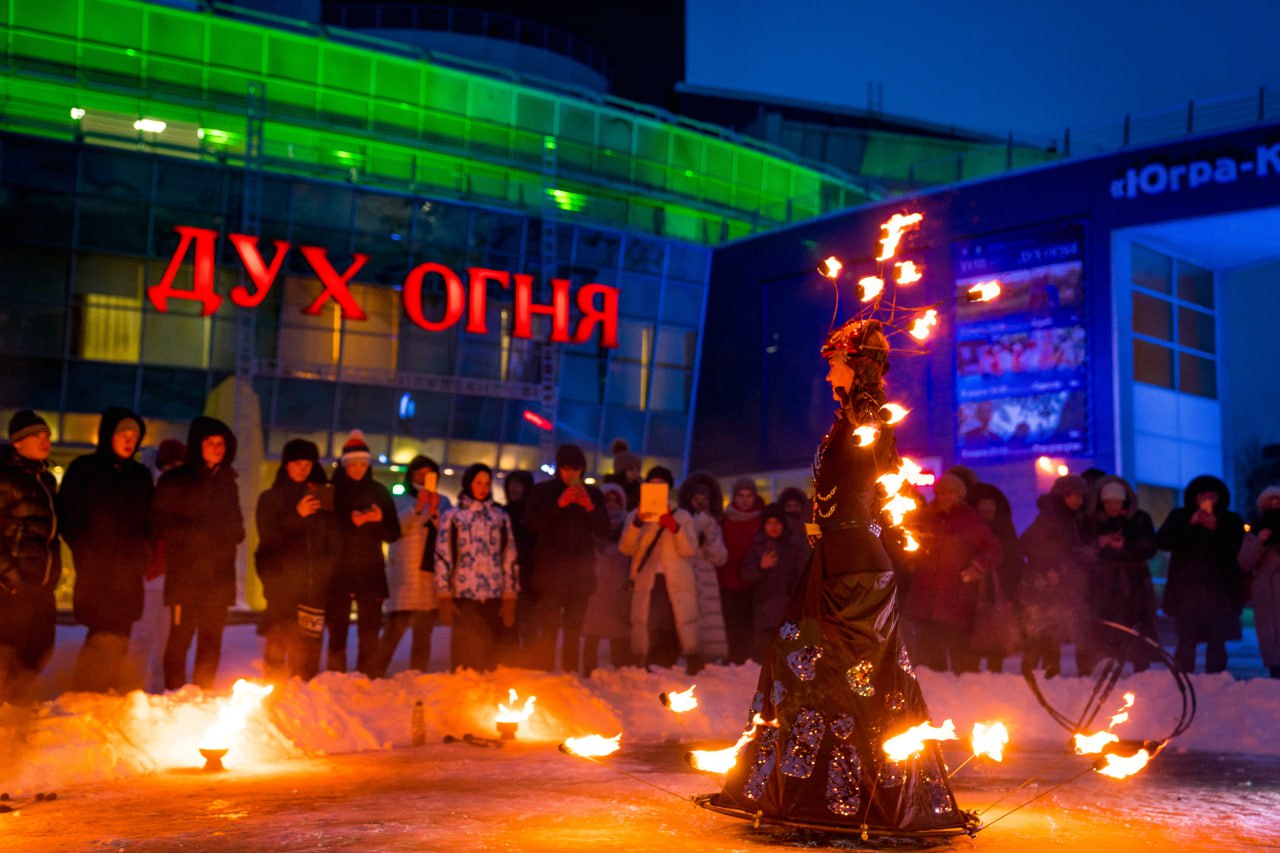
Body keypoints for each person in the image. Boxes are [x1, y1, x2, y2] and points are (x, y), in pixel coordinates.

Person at [710, 318, 972, 837]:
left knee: (827, 671)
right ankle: (819, 796)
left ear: (853, 365)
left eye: (834, 358)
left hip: (853, 566)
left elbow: (876, 481)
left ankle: (842, 801)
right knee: (811, 666)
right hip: (840, 558)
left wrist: (846, 522)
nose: (826, 366)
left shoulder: (864, 418)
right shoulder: (847, 421)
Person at [58, 407, 153, 693]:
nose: (129, 440)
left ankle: (109, 692)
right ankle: (84, 693)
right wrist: (87, 555)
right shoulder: (85, 470)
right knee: (99, 634)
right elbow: (69, 517)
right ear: (108, 434)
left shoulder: (140, 476)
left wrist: (142, 556)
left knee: (121, 635)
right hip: (97, 572)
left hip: (129, 574)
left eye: (134, 435)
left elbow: (151, 522)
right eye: (122, 433)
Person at [153, 417, 244, 691]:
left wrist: (223, 534)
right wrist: (197, 533)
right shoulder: (175, 481)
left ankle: (204, 694)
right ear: (197, 445)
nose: (218, 448)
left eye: (221, 443)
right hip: (186, 577)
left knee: (211, 640)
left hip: (219, 577)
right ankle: (175, 694)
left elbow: (238, 530)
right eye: (210, 442)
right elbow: (159, 525)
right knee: (180, 639)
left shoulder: (228, 482)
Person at [253, 439, 340, 682]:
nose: (303, 469)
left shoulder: (322, 497)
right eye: (297, 463)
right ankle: (274, 699)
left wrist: (326, 575)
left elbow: (331, 540)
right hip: (282, 588)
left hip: (313, 588)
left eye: (308, 464)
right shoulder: (271, 498)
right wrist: (296, 515)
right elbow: (268, 537)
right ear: (287, 465)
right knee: (278, 648)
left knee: (308, 655)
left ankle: (304, 703)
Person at [902, 473, 1002, 674]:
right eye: (942, 493)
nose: (946, 497)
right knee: (929, 660)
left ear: (960, 495)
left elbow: (994, 550)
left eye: (951, 493)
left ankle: (964, 697)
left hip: (956, 599)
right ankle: (935, 698)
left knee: (961, 657)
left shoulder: (969, 520)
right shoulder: (924, 517)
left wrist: (977, 567)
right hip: (925, 599)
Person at [524, 444, 609, 672]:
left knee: (573, 631)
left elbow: (604, 531)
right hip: (550, 576)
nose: (571, 474)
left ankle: (571, 676)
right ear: (559, 469)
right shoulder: (543, 492)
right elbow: (531, 523)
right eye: (566, 468)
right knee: (548, 629)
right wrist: (558, 504)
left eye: (576, 469)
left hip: (580, 578)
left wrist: (590, 507)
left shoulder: (593, 494)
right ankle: (546, 672)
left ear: (583, 470)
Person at [326, 430, 400, 675]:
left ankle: (368, 675)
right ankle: (336, 676)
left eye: (362, 464)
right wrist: (351, 522)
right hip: (338, 570)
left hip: (370, 571)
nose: (357, 469)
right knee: (338, 626)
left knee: (369, 628)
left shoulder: (379, 491)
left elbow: (393, 533)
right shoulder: (332, 490)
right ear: (344, 465)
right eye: (353, 464)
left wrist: (376, 520)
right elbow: (323, 529)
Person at [0, 411, 61, 704]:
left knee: (41, 648)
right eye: (37, 435)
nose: (45, 440)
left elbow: (48, 536)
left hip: (41, 585)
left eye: (47, 435)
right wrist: (12, 580)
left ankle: (20, 708)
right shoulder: (5, 480)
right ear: (17, 443)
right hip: (14, 588)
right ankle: (7, 718)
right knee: (10, 654)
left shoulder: (45, 480)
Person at [1157, 475, 1246, 674]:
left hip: (1220, 593)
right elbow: (1163, 541)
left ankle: (1216, 680)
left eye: (1211, 495)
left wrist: (1217, 528)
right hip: (1186, 593)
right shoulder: (1179, 516)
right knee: (1186, 639)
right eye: (1202, 495)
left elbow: (1238, 548)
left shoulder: (1230, 519)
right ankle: (1183, 679)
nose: (1207, 500)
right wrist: (1190, 523)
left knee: (1217, 640)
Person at [619, 466, 703, 675]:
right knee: (650, 621)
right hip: (648, 579)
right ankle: (650, 659)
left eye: (661, 484)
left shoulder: (681, 515)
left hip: (675, 579)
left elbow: (690, 549)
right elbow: (626, 548)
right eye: (652, 484)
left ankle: (678, 658)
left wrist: (674, 527)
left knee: (676, 620)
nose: (656, 488)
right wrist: (637, 523)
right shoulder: (635, 515)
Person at [435, 463, 518, 672]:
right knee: (465, 652)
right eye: (478, 483)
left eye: (487, 483)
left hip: (494, 593)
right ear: (468, 484)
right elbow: (443, 554)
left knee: (492, 651)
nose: (482, 488)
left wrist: (510, 593)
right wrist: (443, 592)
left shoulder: (500, 517)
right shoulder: (453, 516)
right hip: (463, 593)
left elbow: (510, 555)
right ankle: (464, 692)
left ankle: (489, 696)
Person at [372, 456, 449, 677]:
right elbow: (393, 531)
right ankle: (374, 677)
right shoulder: (399, 500)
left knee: (423, 637)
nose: (423, 479)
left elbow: (447, 535)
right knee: (392, 634)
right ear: (410, 475)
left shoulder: (443, 502)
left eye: (429, 474)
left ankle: (417, 679)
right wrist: (417, 508)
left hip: (428, 580)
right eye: (419, 474)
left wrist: (434, 511)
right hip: (403, 579)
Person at [1086, 476, 1159, 671]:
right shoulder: (1093, 522)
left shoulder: (1140, 519)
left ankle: (1141, 671)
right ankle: (1109, 671)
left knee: (1136, 628)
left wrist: (1125, 545)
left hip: (1135, 585)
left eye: (1116, 502)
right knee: (1108, 630)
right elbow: (1084, 549)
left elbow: (1150, 547)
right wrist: (1100, 544)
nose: (1112, 507)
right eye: (1108, 503)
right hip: (1104, 586)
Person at [968, 482, 1024, 672]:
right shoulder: (970, 529)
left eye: (990, 504)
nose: (987, 507)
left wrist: (1007, 588)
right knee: (972, 635)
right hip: (972, 589)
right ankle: (970, 675)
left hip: (999, 588)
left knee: (997, 632)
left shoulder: (1005, 528)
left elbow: (1014, 559)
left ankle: (995, 672)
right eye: (983, 504)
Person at [739, 503, 806, 661]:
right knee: (766, 657)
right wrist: (761, 567)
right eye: (769, 523)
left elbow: (801, 576)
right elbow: (745, 576)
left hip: (788, 611)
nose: (773, 527)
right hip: (764, 613)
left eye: (777, 523)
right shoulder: (757, 547)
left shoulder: (793, 548)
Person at [581, 482, 633, 675]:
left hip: (619, 589)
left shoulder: (630, 526)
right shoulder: (591, 525)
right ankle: (587, 677)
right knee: (591, 635)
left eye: (616, 500)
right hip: (596, 587)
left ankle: (620, 678)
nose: (611, 505)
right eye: (607, 500)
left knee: (618, 635)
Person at [678, 471, 730, 663]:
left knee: (707, 621)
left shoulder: (713, 524)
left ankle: (708, 657)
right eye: (696, 498)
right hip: (686, 577)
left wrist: (708, 531)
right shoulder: (682, 521)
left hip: (707, 580)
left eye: (705, 499)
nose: (700, 503)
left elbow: (720, 557)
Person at [720, 477, 764, 663]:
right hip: (728, 581)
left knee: (750, 623)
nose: (745, 500)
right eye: (740, 496)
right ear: (734, 497)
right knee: (731, 623)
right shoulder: (724, 520)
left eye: (749, 495)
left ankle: (748, 658)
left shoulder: (762, 520)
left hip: (753, 581)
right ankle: (733, 656)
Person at [1238, 486, 1280, 678]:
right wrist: (1260, 542)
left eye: (1278, 502)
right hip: (1266, 592)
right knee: (1269, 636)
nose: (1274, 506)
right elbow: (1243, 562)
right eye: (1269, 504)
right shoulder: (1254, 531)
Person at [501, 469, 537, 665]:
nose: (514, 489)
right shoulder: (502, 513)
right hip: (505, 578)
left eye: (519, 484)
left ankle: (529, 662)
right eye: (511, 484)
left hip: (528, 577)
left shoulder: (533, 517)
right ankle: (510, 660)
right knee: (508, 622)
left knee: (528, 623)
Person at [604, 438, 642, 510]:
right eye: (631, 470)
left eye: (638, 470)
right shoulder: (612, 491)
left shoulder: (638, 488)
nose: (636, 473)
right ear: (622, 472)